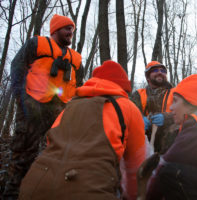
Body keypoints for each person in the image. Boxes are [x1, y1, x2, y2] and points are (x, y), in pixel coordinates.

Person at [18, 60, 146, 200]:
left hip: (35, 184)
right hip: (89, 189)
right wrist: (132, 195)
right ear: (122, 86)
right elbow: (135, 166)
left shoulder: (69, 107)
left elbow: (51, 142)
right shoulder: (128, 107)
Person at [4, 14, 83, 199]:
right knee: (23, 155)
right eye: (66, 28)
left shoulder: (76, 58)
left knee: (59, 154)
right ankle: (12, 193)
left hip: (61, 111)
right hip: (32, 108)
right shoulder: (36, 44)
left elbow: (79, 84)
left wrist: (74, 108)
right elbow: (17, 67)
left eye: (72, 28)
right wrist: (21, 98)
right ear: (55, 30)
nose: (70, 31)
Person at [130, 61, 177, 153]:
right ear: (147, 77)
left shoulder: (176, 93)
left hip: (171, 150)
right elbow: (128, 114)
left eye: (163, 71)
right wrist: (139, 120)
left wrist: (167, 118)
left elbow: (187, 114)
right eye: (155, 70)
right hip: (142, 148)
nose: (160, 72)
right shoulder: (138, 94)